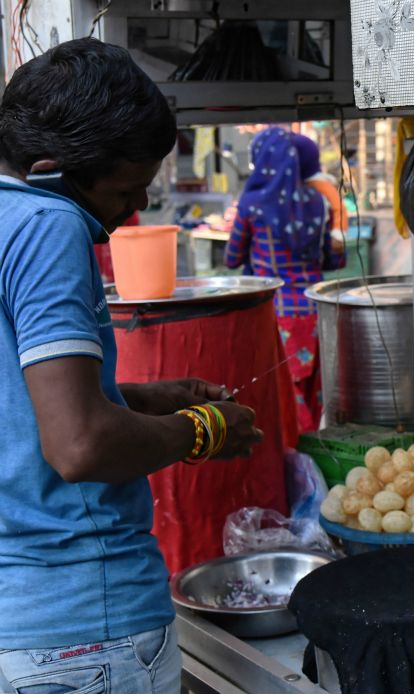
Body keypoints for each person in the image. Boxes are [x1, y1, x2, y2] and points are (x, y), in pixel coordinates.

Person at [0, 38, 263, 693]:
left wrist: (142, 399)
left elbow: (20, 411)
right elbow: (79, 445)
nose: (133, 210)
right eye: (126, 189)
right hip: (86, 625)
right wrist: (204, 429)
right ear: (50, 169)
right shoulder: (46, 223)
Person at [225, 127, 344, 432]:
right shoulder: (318, 202)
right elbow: (334, 259)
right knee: (313, 396)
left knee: (286, 399)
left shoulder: (252, 205)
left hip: (275, 316)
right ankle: (315, 459)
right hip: (316, 313)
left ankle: (297, 465)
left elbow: (231, 258)